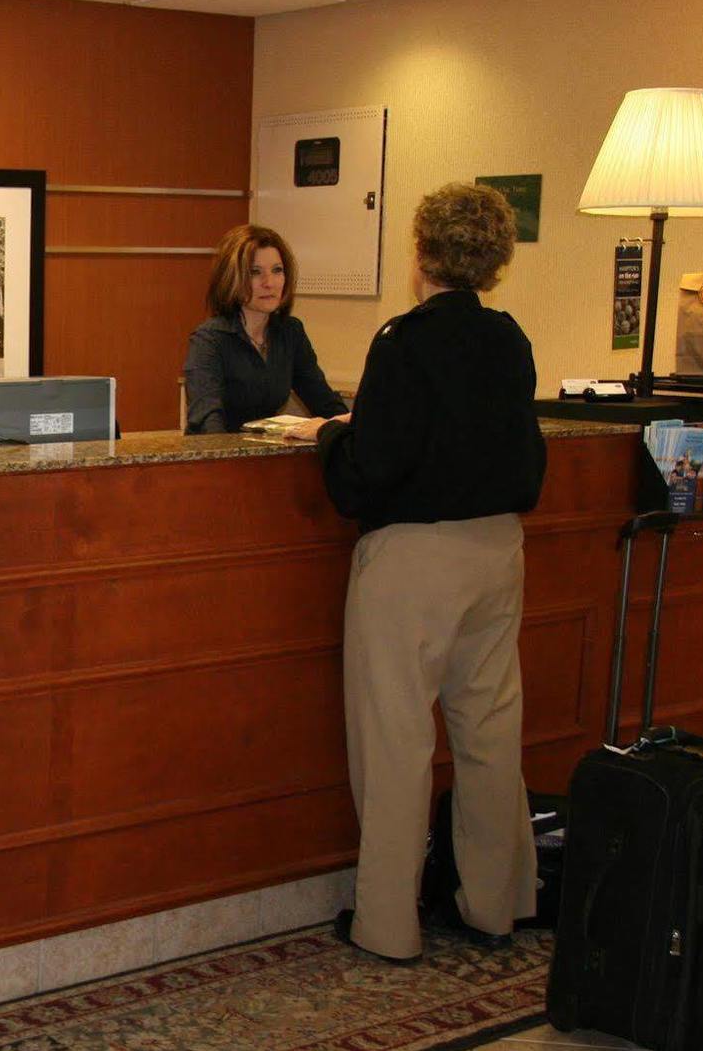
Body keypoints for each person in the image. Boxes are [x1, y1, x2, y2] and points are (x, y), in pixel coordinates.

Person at [288, 183, 548, 963]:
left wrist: (331, 439)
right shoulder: (509, 338)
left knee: (397, 739)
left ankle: (388, 924)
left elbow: (369, 470)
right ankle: (495, 904)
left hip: (414, 562)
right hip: (498, 551)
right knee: (491, 733)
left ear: (422, 253)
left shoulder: (404, 342)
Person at [182, 225, 348, 433]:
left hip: (264, 457)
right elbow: (207, 420)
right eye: (255, 272)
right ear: (231, 278)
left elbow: (324, 402)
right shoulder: (209, 339)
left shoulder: (290, 332)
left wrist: (351, 427)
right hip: (218, 458)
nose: (269, 283)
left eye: (277, 270)